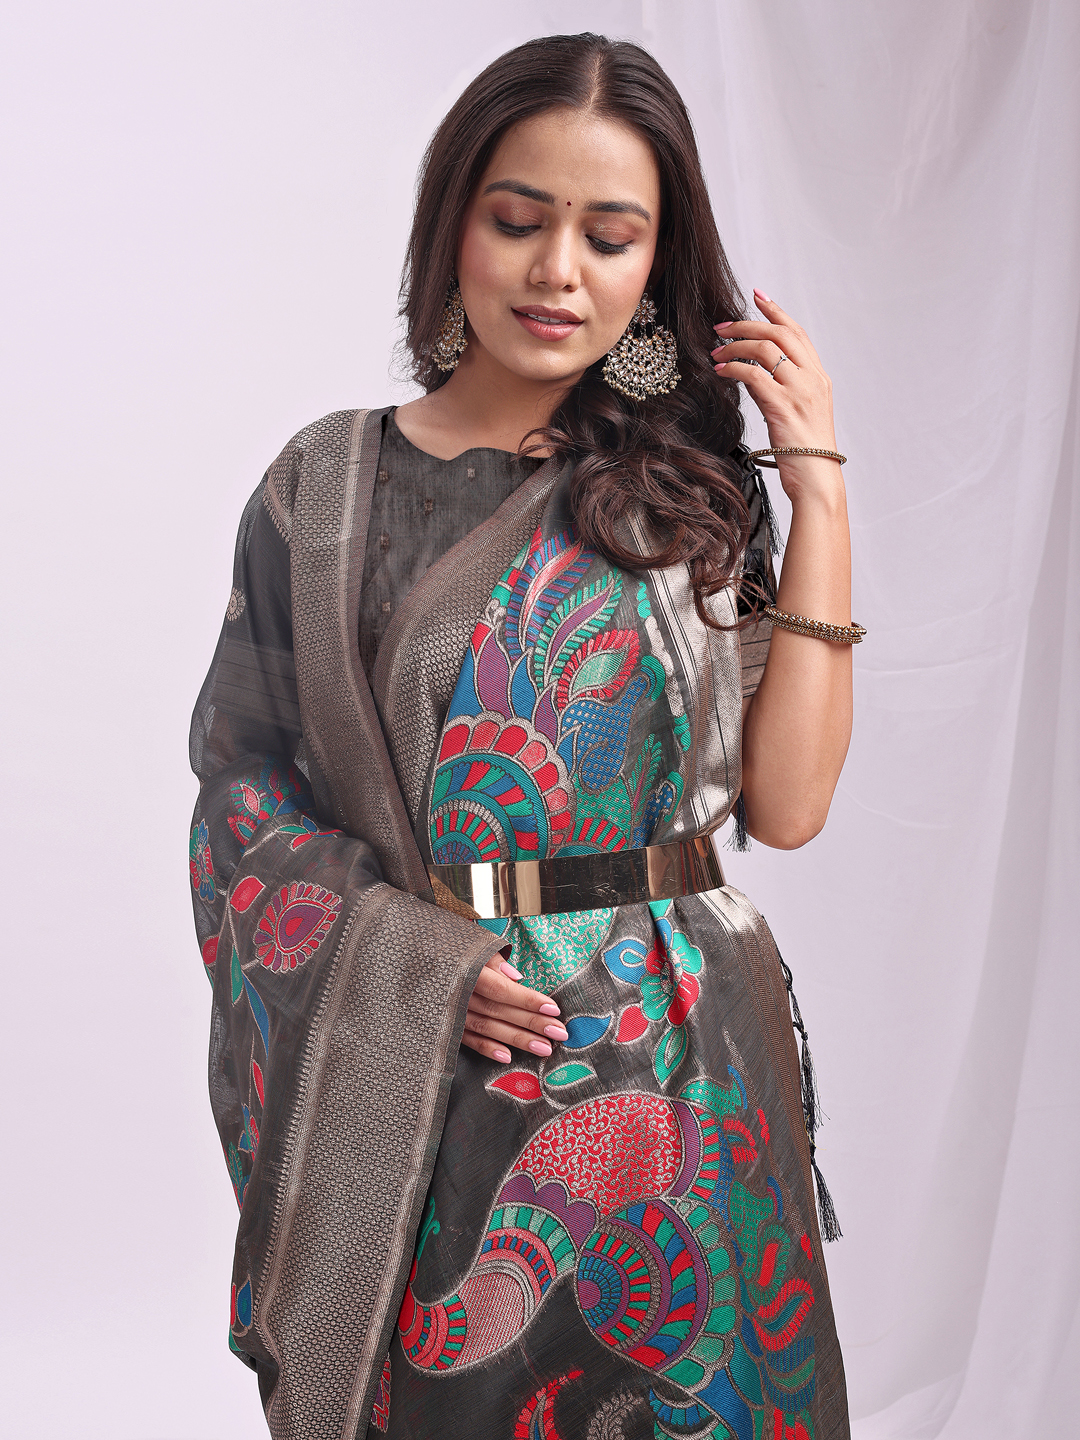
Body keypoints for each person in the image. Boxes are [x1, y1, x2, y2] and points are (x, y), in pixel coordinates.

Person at [188, 32, 859, 1440]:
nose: (559, 272)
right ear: (454, 226)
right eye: (518, 220)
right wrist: (419, 967)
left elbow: (788, 810)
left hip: (682, 1069)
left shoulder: (689, 493)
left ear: (655, 267)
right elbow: (245, 787)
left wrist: (820, 494)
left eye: (610, 238)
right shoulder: (325, 492)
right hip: (449, 1067)